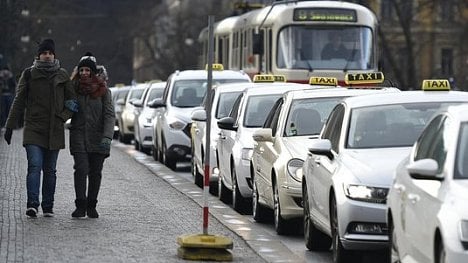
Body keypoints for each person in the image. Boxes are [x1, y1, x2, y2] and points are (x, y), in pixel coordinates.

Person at [3, 38, 78, 218]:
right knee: (34, 165)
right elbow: (18, 101)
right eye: (44, 53)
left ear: (54, 55)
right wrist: (9, 126)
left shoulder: (62, 75)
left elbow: (73, 102)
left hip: (54, 129)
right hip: (34, 128)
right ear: (39, 55)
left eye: (50, 53)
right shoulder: (29, 74)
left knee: (50, 170)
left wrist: (63, 117)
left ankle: (48, 205)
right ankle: (32, 204)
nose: (47, 56)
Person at [69, 53, 114, 218]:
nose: (84, 73)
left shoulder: (104, 91)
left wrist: (107, 137)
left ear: (93, 72)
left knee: (95, 172)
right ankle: (80, 204)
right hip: (79, 134)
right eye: (82, 70)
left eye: (88, 70)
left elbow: (109, 115)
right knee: (81, 169)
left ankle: (92, 205)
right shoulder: (73, 88)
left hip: (98, 137)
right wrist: (67, 106)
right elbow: (65, 111)